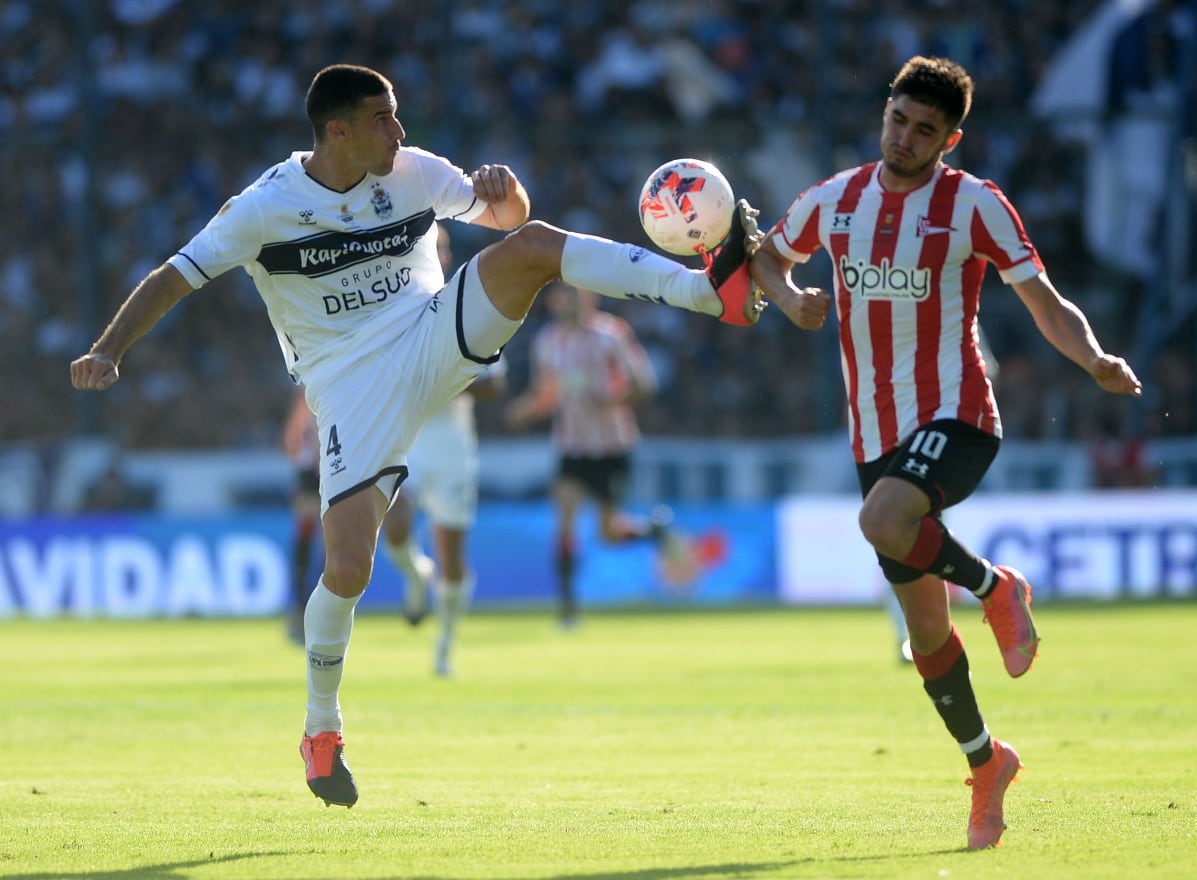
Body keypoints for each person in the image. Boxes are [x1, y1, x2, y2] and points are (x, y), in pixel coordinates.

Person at [69, 63, 762, 810]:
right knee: (347, 569)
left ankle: (707, 290)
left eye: (396, 117)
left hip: (432, 331)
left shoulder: (414, 170)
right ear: (337, 131)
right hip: (347, 383)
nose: (399, 131)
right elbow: (173, 276)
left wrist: (507, 192)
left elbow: (502, 216)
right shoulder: (263, 208)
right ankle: (321, 727)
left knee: (532, 243)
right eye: (382, 119)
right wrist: (110, 347)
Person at [748, 56, 1143, 850]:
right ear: (885, 112)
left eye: (925, 130)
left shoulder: (974, 206)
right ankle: (987, 762)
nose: (905, 137)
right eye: (899, 119)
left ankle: (997, 589)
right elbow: (767, 257)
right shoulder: (835, 199)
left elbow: (1044, 301)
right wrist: (791, 302)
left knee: (881, 519)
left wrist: (1094, 359)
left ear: (949, 139)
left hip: (958, 414)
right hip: (876, 434)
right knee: (927, 632)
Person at [506, 283, 673, 628]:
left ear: (590, 298)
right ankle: (568, 607)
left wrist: (610, 401)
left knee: (608, 534)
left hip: (612, 444)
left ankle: (651, 532)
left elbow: (645, 384)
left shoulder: (610, 334)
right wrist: (521, 412)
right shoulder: (547, 343)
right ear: (554, 301)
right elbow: (546, 394)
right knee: (564, 518)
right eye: (565, 294)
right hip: (572, 447)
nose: (571, 300)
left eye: (578, 293)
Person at [382, 355, 507, 677]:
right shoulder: (403, 318)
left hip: (453, 456)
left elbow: (494, 385)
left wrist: (447, 381)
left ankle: (445, 643)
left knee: (451, 555)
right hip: (409, 447)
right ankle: (416, 575)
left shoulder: (475, 320)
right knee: (394, 526)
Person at [281, 387, 323, 645]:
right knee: (307, 531)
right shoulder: (307, 385)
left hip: (335, 460)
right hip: (311, 468)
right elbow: (294, 430)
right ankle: (300, 608)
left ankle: (317, 610)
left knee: (331, 541)